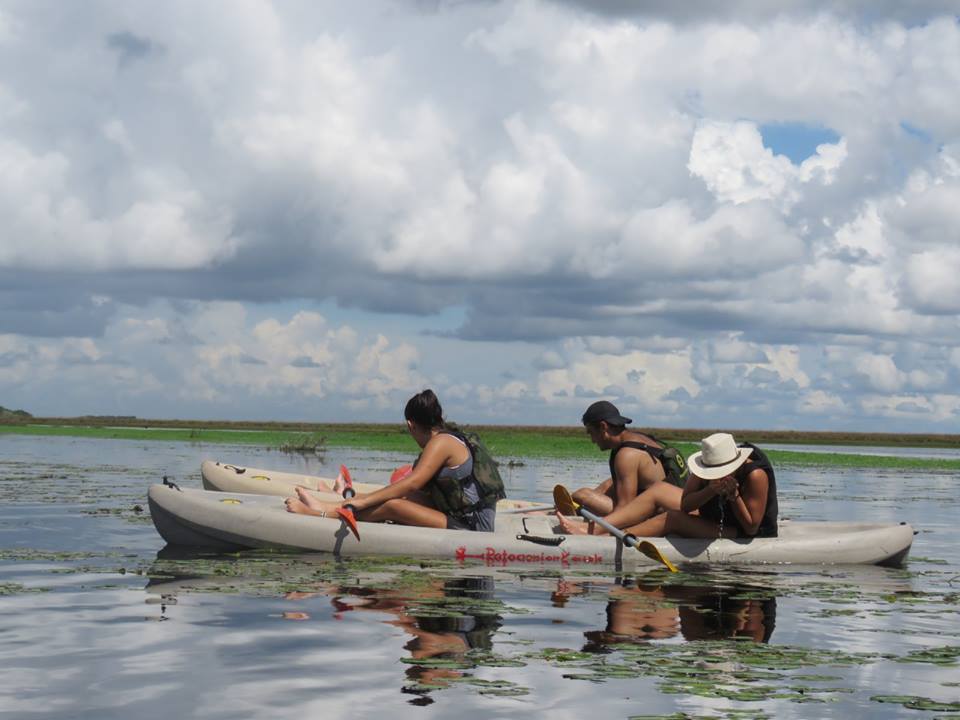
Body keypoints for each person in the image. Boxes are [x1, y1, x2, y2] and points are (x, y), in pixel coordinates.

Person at [284, 389, 504, 531]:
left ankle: (321, 515)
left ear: (411, 425)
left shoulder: (441, 443)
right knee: (397, 496)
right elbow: (414, 491)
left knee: (394, 505)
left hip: (474, 526)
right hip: (460, 515)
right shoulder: (446, 438)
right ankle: (330, 505)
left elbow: (412, 482)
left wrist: (363, 502)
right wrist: (363, 498)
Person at [558, 432, 778, 539]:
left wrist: (734, 496)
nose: (714, 474)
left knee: (672, 518)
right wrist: (710, 489)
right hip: (714, 514)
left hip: (738, 530)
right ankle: (595, 528)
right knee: (659, 491)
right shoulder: (708, 463)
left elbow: (751, 528)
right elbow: (686, 504)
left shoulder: (755, 475)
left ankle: (607, 537)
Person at [564, 400, 685, 533]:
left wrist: (600, 526)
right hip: (670, 502)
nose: (593, 440)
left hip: (654, 514)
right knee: (608, 484)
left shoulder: (626, 455)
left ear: (603, 427)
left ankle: (577, 513)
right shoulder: (640, 438)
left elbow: (625, 509)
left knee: (583, 495)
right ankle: (573, 510)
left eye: (591, 432)